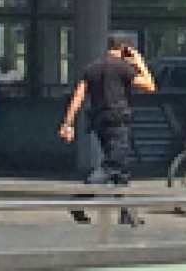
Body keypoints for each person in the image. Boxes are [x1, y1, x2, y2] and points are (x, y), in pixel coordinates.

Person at [58, 32, 155, 224]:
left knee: (121, 169)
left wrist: (68, 123)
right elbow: (150, 85)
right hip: (118, 121)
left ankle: (127, 214)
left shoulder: (92, 68)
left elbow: (78, 96)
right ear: (125, 48)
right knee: (113, 165)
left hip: (99, 122)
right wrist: (140, 62)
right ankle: (80, 199)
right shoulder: (122, 68)